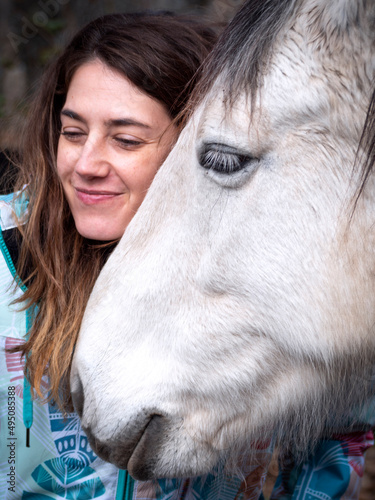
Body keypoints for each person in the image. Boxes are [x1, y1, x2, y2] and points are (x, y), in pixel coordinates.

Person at [0, 11, 274, 500]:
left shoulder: (270, 277)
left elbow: (336, 444)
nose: (85, 165)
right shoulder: (5, 254)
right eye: (73, 132)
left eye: (126, 140)